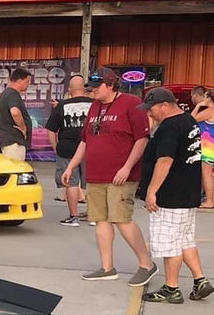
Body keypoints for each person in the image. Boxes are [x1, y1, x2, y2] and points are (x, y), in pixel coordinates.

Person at [59, 68, 156, 285]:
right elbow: (85, 140)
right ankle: (107, 266)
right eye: (90, 88)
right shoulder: (95, 106)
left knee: (121, 218)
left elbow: (142, 139)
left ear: (110, 85)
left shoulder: (131, 104)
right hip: (96, 174)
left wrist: (127, 167)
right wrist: (71, 167)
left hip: (120, 175)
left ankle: (146, 263)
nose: (92, 91)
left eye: (96, 87)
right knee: (100, 219)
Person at [137, 88, 214, 304]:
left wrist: (152, 191)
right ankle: (200, 280)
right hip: (187, 192)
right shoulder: (189, 121)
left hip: (170, 195)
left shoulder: (169, 127)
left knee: (170, 244)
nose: (150, 114)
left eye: (151, 109)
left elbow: (165, 160)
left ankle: (171, 288)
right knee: (184, 239)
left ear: (164, 105)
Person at [45, 74, 93, 225]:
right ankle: (94, 217)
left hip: (67, 148)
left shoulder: (61, 106)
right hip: (90, 148)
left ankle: (74, 217)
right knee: (92, 182)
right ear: (84, 89)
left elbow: (51, 130)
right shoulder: (95, 105)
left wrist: (55, 147)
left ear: (70, 90)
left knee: (71, 182)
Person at [188, 87, 214, 210]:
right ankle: (213, 198)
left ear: (208, 98)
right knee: (210, 174)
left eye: (204, 96)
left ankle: (209, 200)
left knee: (206, 174)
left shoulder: (210, 111)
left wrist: (198, 106)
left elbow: (191, 119)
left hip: (207, 147)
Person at [0, 67, 33, 162]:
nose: (29, 84)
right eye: (27, 81)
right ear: (20, 81)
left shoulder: (7, 93)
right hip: (14, 141)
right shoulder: (13, 94)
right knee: (16, 169)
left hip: (10, 141)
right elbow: (15, 112)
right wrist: (23, 127)